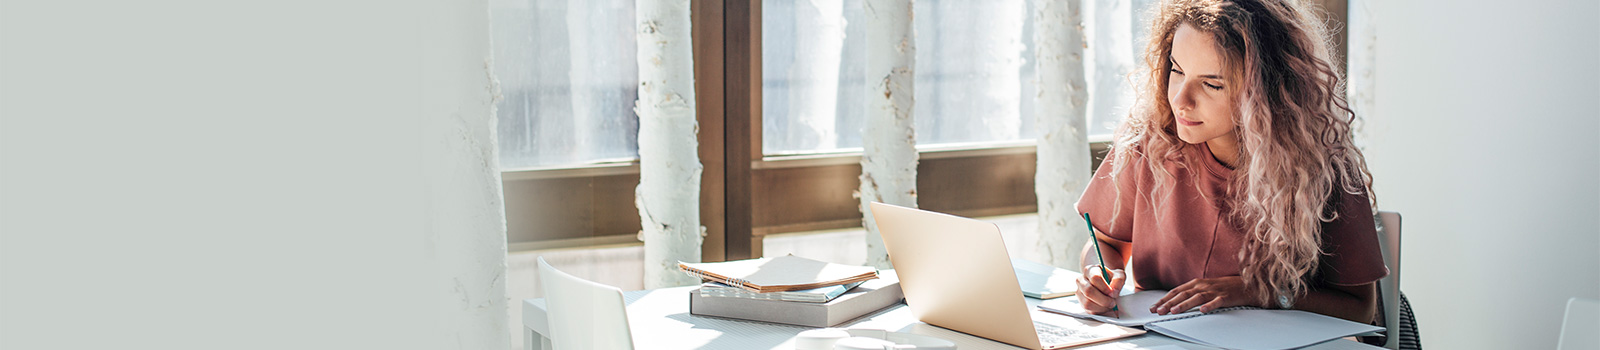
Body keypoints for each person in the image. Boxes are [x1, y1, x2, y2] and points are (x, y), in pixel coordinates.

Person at [1071, 0, 1388, 326]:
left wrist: (1256, 291)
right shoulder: (1149, 144)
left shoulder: (1321, 169)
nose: (1181, 100)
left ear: (1266, 91)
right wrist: (1099, 273)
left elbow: (1360, 309)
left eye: (1211, 84)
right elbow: (1106, 243)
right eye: (1177, 71)